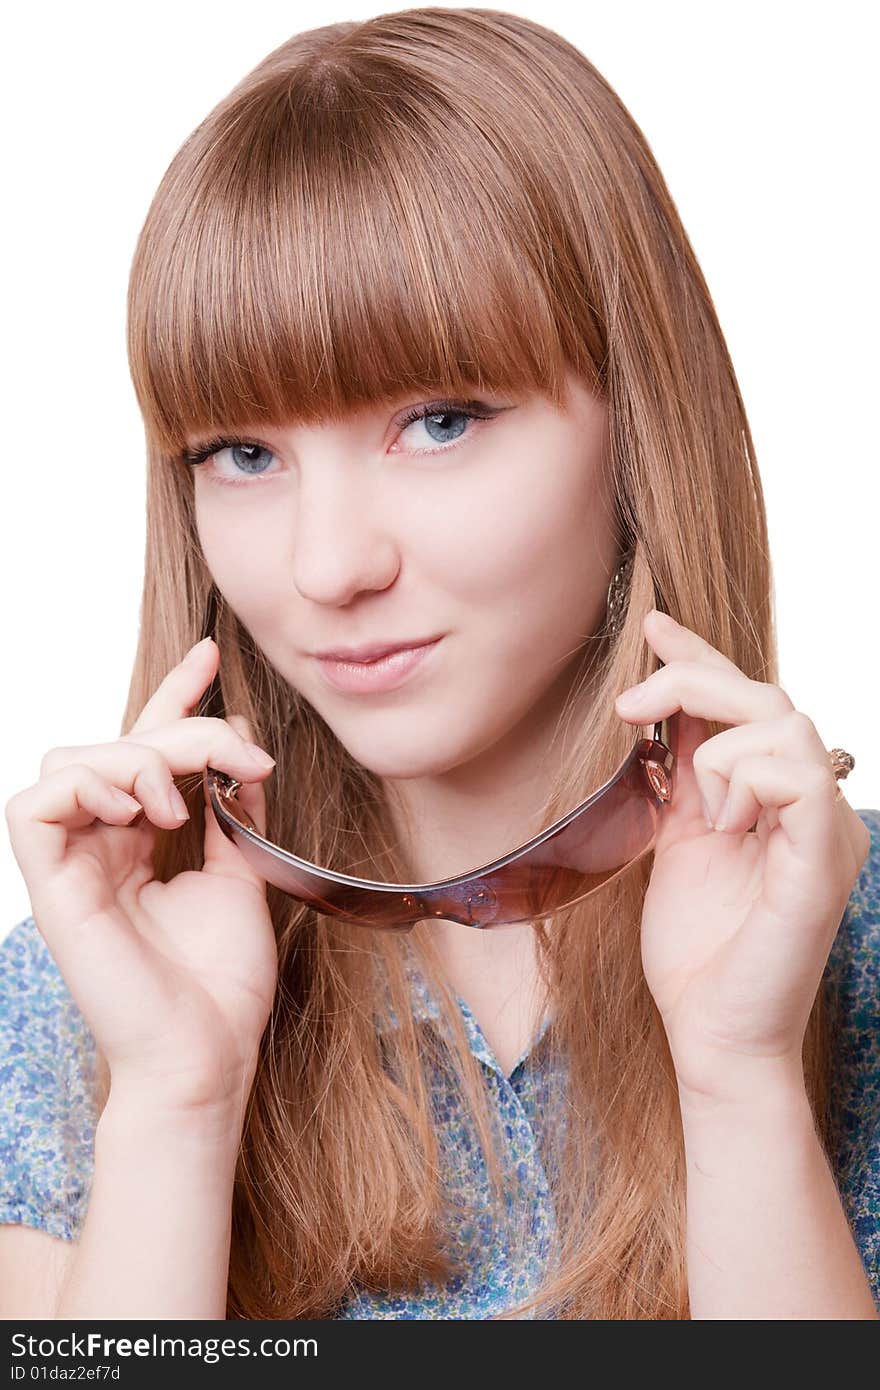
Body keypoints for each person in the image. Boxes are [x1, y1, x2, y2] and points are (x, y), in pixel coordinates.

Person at [1, 6, 878, 1321]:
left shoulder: (851, 942)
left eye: (440, 420)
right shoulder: (94, 984)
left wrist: (740, 1079)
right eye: (244, 454)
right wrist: (176, 1107)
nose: (325, 566)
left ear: (636, 419)